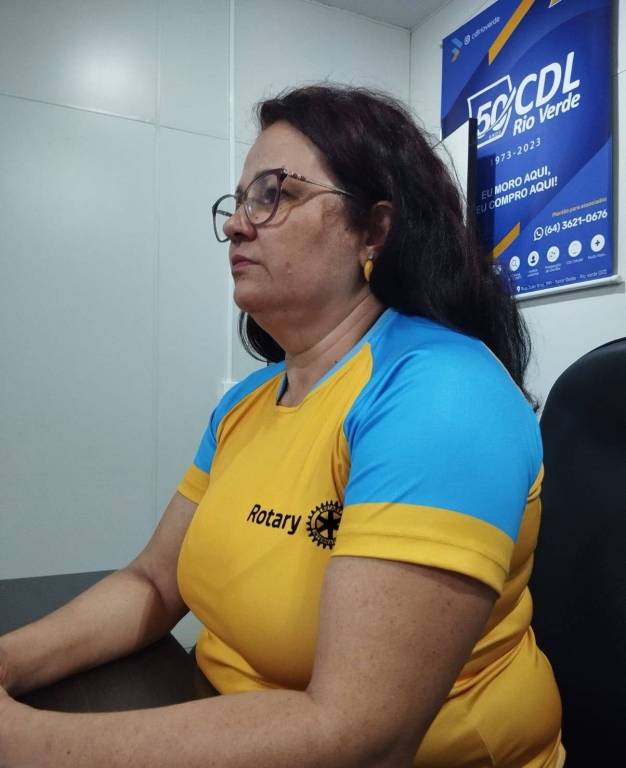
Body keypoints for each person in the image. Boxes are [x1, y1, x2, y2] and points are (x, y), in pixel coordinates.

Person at [0, 84, 564, 767]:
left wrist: (24, 742)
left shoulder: (442, 396)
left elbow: (364, 736)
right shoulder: (247, 401)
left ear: (374, 229)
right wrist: (8, 663)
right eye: (240, 201)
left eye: (275, 194)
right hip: (225, 719)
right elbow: (154, 582)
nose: (239, 225)